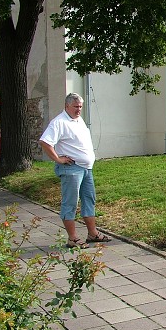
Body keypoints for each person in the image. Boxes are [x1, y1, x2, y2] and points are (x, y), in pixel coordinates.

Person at [39, 93, 111, 248]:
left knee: (89, 200)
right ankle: (73, 238)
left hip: (86, 169)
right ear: (67, 106)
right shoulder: (59, 122)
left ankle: (92, 233)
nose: (79, 110)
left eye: (80, 107)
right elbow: (45, 142)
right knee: (70, 202)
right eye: (76, 107)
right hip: (71, 169)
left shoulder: (78, 120)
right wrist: (58, 159)